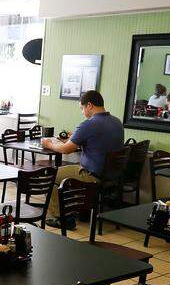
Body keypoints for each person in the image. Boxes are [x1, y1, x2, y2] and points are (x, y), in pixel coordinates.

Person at [40, 90, 125, 228]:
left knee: (52, 174)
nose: (82, 112)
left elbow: (65, 150)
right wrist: (76, 136)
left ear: (89, 105)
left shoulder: (89, 124)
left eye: (82, 108)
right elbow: (99, 140)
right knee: (67, 171)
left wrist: (48, 143)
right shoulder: (117, 122)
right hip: (112, 175)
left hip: (91, 175)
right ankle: (75, 210)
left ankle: (61, 218)